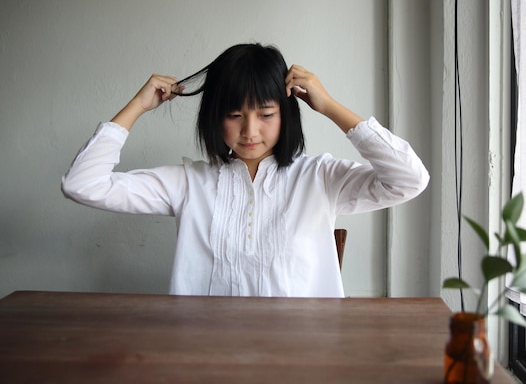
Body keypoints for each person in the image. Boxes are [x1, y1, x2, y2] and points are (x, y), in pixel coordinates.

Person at [61, 43, 430, 298]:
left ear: (286, 115)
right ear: (215, 119)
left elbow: (409, 179)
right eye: (235, 115)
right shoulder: (190, 183)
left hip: (304, 357)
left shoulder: (320, 178)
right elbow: (83, 184)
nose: (250, 131)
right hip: (205, 356)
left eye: (266, 115)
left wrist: (330, 106)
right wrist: (137, 106)